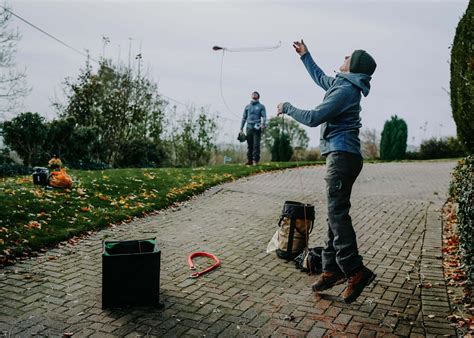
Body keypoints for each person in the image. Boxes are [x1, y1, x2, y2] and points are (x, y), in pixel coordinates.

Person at [277, 40, 377, 304]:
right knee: (335, 214)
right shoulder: (342, 86)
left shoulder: (345, 91)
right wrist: (305, 56)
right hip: (344, 156)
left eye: (348, 56)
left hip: (342, 157)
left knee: (337, 214)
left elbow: (312, 118)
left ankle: (355, 270)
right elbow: (321, 77)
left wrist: (287, 107)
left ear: (353, 67)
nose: (344, 56)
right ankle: (331, 270)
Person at [241, 91, 266, 165]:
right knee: (250, 145)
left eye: (256, 94)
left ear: (258, 96)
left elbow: (264, 116)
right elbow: (244, 118)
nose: (254, 94)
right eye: (253, 94)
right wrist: (241, 128)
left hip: (257, 128)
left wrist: (263, 124)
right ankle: (250, 160)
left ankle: (256, 160)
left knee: (256, 145)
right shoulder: (247, 107)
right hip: (249, 127)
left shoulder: (261, 106)